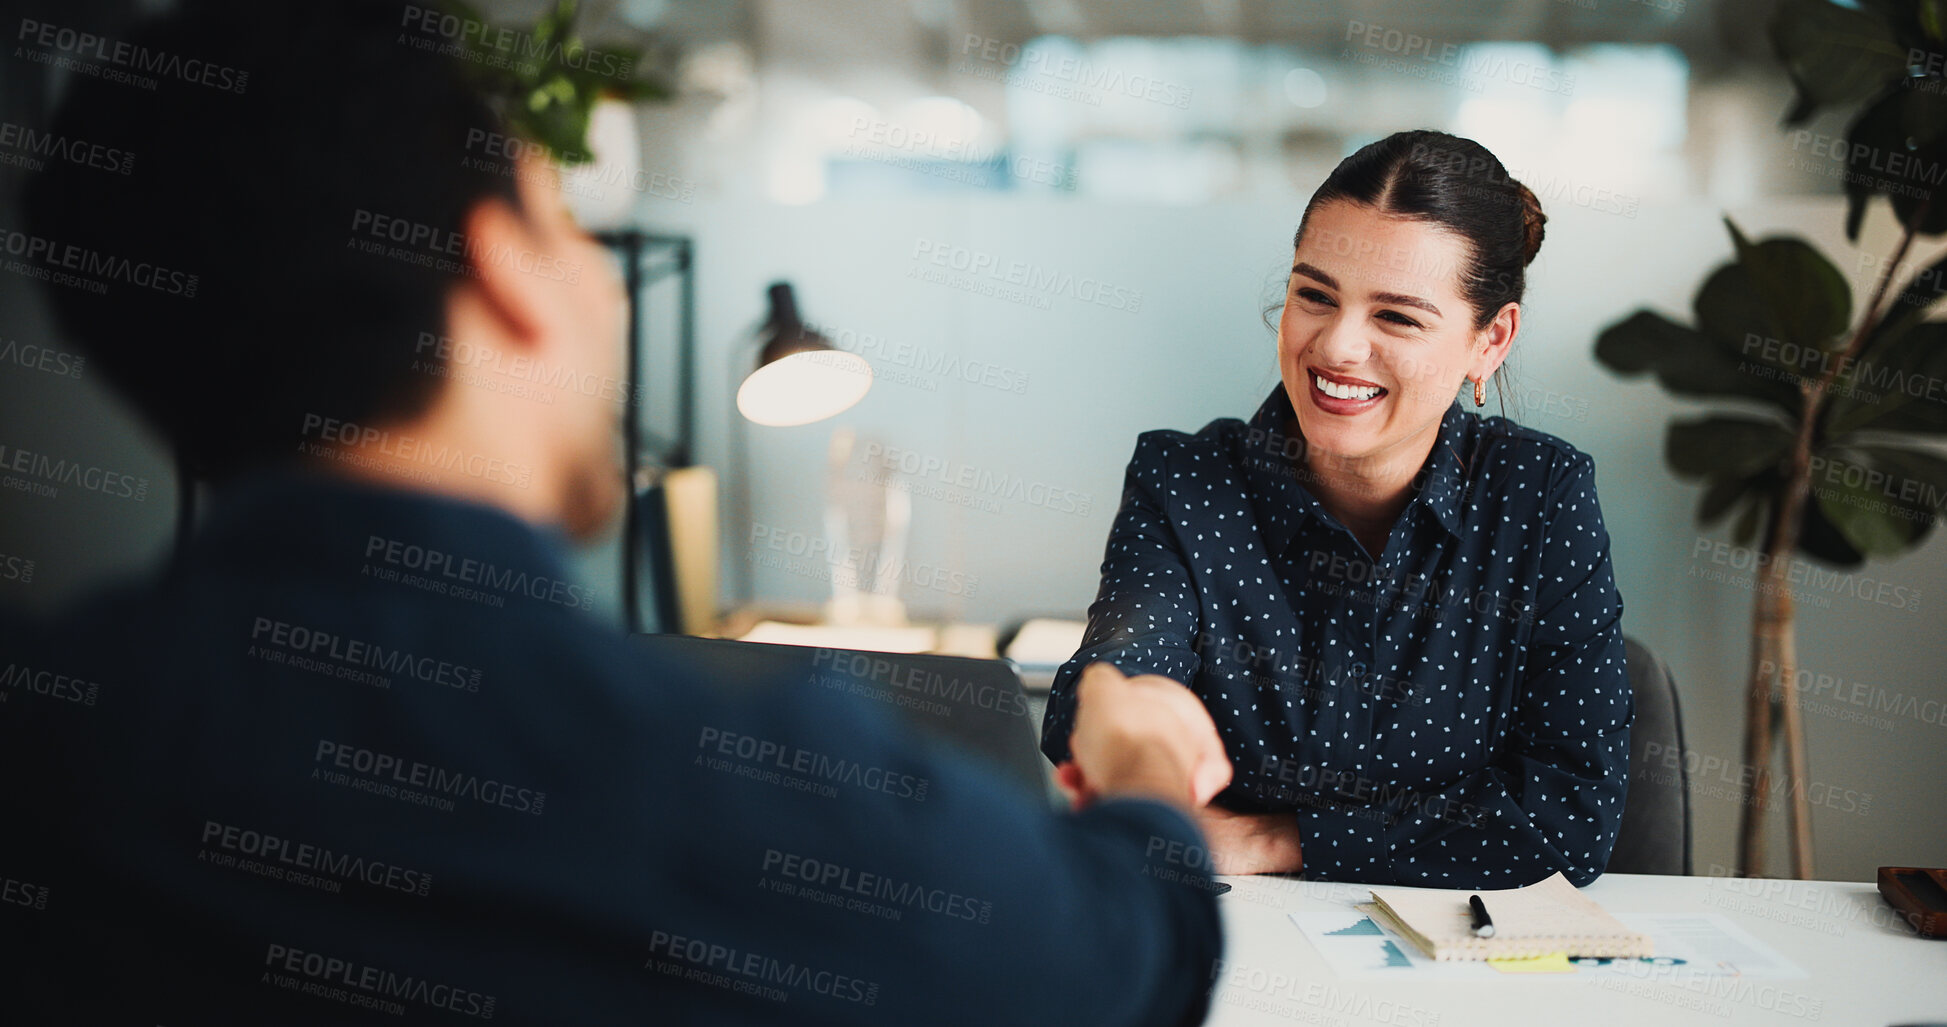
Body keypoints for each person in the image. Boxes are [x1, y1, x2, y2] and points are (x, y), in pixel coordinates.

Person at [0, 2, 1231, 1023]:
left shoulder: (58, 745)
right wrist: (1145, 771)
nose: (608, 290)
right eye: (571, 228)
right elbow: (1123, 961)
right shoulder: (737, 792)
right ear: (507, 269)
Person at [1042, 130, 1632, 889]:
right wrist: (1139, 743)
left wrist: (1271, 839)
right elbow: (1115, 687)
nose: (1338, 347)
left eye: (1398, 318)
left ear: (1490, 341)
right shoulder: (1187, 483)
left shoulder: (1540, 495)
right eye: (1315, 296)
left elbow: (1569, 818)